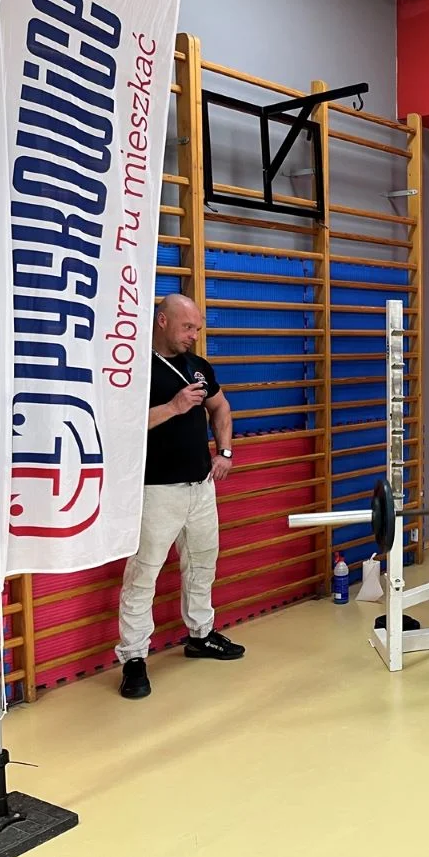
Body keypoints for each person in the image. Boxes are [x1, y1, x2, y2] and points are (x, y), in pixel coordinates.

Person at [116, 293, 245, 700]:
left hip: (200, 487)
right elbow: (121, 425)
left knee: (203, 564)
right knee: (143, 575)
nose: (193, 335)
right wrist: (173, 406)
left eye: (197, 329)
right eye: (187, 327)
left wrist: (225, 453)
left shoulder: (198, 367)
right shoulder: (135, 367)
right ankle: (134, 658)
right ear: (162, 321)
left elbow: (221, 408)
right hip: (156, 490)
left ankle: (200, 635)